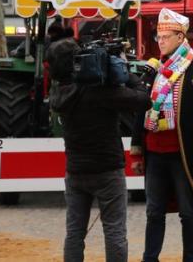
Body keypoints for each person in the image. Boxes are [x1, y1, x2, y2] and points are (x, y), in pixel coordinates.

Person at [48, 39, 149, 262]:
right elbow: (143, 100)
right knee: (114, 231)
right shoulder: (101, 92)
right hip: (107, 170)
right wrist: (125, 69)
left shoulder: (58, 94)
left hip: (75, 171)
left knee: (74, 233)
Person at [131, 9, 193, 262]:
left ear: (181, 37)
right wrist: (137, 150)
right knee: (153, 211)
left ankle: (191, 258)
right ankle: (150, 258)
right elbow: (141, 108)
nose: (160, 41)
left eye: (166, 36)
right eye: (158, 37)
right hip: (155, 153)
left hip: (184, 152)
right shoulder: (155, 69)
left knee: (188, 212)